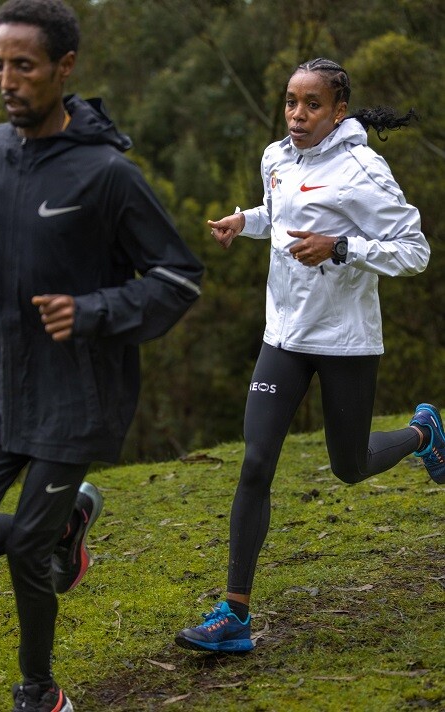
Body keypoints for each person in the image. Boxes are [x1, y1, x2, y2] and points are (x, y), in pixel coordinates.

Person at [0, 0, 203, 709]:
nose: (7, 80)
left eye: (24, 65)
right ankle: (65, 526)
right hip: (3, 388)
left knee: (24, 551)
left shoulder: (107, 175)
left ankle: (40, 692)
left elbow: (177, 277)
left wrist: (93, 310)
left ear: (64, 67)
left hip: (78, 397)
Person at [175, 57, 443, 654]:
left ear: (338, 111)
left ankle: (423, 432)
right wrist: (245, 221)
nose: (297, 115)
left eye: (312, 105)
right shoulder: (276, 157)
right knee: (255, 462)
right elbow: (281, 216)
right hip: (284, 337)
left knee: (350, 466)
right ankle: (234, 613)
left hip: (345, 341)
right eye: (291, 102)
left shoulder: (363, 169)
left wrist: (341, 247)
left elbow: (415, 250)